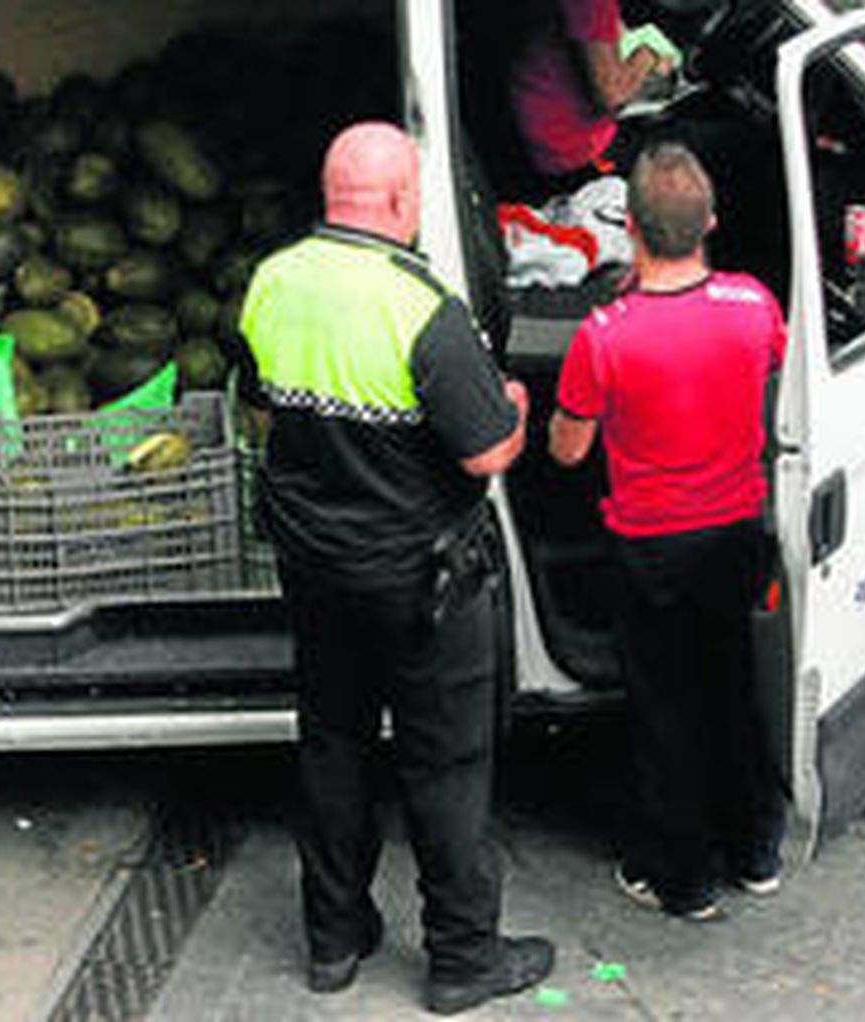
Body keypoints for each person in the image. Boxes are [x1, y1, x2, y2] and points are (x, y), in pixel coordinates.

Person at [239, 121, 554, 1015]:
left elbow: (270, 403)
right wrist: (517, 406)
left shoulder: (273, 282)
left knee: (333, 748)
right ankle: (461, 958)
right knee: (446, 765)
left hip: (314, 568)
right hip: (421, 580)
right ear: (402, 200)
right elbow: (488, 454)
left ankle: (333, 941)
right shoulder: (421, 306)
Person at [547, 142, 787, 920]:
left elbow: (569, 448)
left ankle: (682, 880)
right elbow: (770, 366)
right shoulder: (755, 304)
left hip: (650, 549)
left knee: (666, 714)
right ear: (711, 222)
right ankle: (756, 852)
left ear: (631, 231)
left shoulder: (605, 333)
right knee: (735, 691)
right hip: (738, 535)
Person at [508, 0, 677, 191]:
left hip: (537, 103)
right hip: (565, 148)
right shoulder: (595, 5)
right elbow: (613, 95)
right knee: (691, 146)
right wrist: (649, 53)